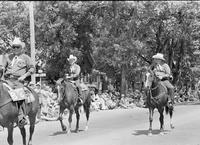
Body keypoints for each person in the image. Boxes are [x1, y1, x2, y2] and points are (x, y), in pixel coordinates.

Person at [3, 37, 35, 127]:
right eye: (14, 47)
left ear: (21, 48)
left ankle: (21, 117)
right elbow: (3, 67)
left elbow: (32, 68)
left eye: (17, 47)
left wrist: (24, 76)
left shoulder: (26, 58)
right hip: (7, 79)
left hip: (19, 80)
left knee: (19, 93)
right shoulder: (8, 57)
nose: (15, 49)